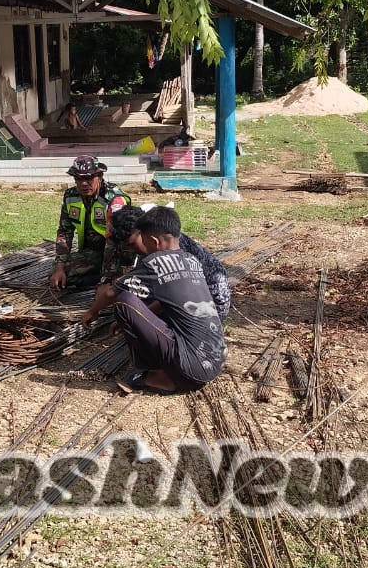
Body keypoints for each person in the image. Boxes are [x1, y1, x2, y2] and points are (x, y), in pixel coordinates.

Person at [102, 207, 226, 394]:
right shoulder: (191, 259)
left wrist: (91, 312)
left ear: (154, 241)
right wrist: (142, 317)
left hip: (191, 371)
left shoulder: (155, 261)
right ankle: (175, 370)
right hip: (215, 361)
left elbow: (111, 293)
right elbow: (170, 299)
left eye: (142, 242)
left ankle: (154, 374)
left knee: (125, 300)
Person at [81, 205, 231, 324]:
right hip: (199, 300)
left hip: (212, 306)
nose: (134, 250)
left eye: (133, 244)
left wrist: (140, 317)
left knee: (137, 307)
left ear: (145, 232)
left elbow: (170, 297)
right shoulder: (163, 241)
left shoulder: (170, 252)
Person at [49, 155, 131, 290]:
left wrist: (108, 277)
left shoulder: (114, 199)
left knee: (115, 283)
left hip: (117, 254)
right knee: (56, 274)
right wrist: (60, 267)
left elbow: (115, 240)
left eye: (89, 178)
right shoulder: (70, 196)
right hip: (92, 253)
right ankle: (97, 277)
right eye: (78, 179)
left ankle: (110, 278)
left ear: (99, 176)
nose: (84, 183)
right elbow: (64, 232)